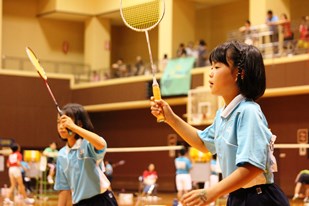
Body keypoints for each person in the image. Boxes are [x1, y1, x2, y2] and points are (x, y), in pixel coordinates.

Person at [150, 40, 290, 206]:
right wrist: (170, 118)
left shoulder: (248, 111)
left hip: (260, 198)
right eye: (211, 67)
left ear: (240, 72)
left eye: (217, 67)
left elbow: (253, 167)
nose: (210, 73)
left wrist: (212, 192)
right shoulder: (223, 115)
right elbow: (202, 143)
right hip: (237, 196)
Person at [54, 103, 118, 206]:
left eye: (65, 122)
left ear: (79, 124)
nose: (61, 126)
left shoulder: (87, 144)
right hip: (79, 203)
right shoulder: (62, 155)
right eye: (59, 122)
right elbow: (64, 189)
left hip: (101, 201)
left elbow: (102, 144)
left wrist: (73, 127)